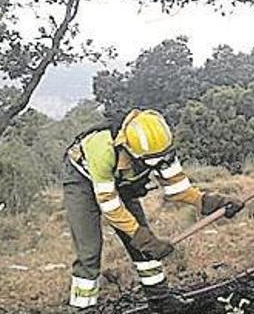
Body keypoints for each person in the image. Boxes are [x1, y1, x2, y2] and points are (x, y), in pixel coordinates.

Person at [62, 108, 243, 309]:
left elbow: (179, 189)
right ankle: (84, 307)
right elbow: (111, 209)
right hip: (82, 181)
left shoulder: (158, 148)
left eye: (163, 159)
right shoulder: (103, 148)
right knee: (90, 251)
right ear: (130, 151)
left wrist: (211, 202)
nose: (160, 165)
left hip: (122, 180)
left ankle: (160, 299)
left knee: (142, 242)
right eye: (153, 162)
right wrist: (142, 237)